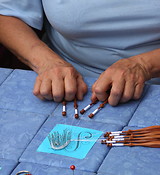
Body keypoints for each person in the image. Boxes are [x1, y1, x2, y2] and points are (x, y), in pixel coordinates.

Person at [0, 1, 160, 106]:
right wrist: (47, 63)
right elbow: (8, 15)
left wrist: (144, 65)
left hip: (152, 86)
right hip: (63, 81)